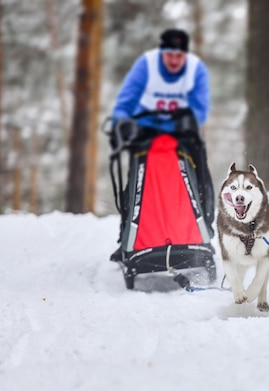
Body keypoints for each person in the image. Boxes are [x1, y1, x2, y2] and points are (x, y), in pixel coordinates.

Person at [109, 28, 214, 262]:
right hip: (146, 132)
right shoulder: (145, 65)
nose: (174, 61)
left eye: (179, 56)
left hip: (184, 131)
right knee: (135, 183)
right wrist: (119, 125)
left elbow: (200, 109)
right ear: (162, 53)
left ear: (185, 56)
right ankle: (127, 237)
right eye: (170, 55)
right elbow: (126, 100)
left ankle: (205, 230)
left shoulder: (196, 69)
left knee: (201, 177)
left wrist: (182, 122)